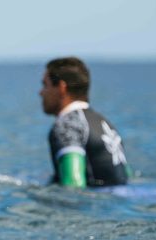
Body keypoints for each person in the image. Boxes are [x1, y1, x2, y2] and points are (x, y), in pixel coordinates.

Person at [40, 57, 130, 187]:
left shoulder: (68, 125)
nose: (41, 92)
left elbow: (73, 185)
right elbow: (123, 175)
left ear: (61, 87)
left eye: (45, 85)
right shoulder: (103, 123)